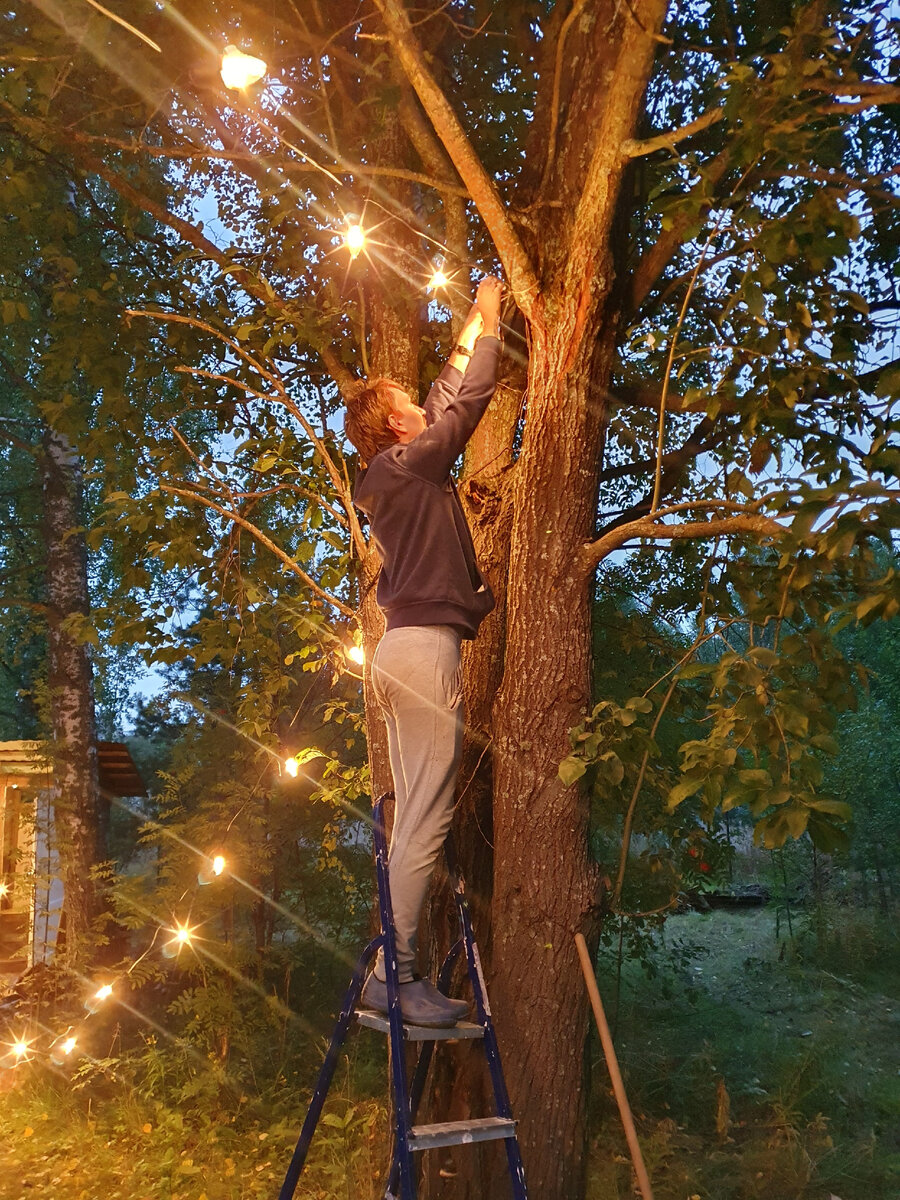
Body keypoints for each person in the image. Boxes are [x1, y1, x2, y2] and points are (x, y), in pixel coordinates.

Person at [344, 276, 503, 1027]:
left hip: (399, 652)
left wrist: (473, 317)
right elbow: (464, 408)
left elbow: (444, 395)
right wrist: (496, 320)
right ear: (397, 428)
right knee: (429, 818)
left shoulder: (394, 471)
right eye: (407, 403)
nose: (420, 403)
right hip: (423, 653)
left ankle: (391, 970)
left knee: (414, 816)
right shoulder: (407, 466)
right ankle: (394, 974)